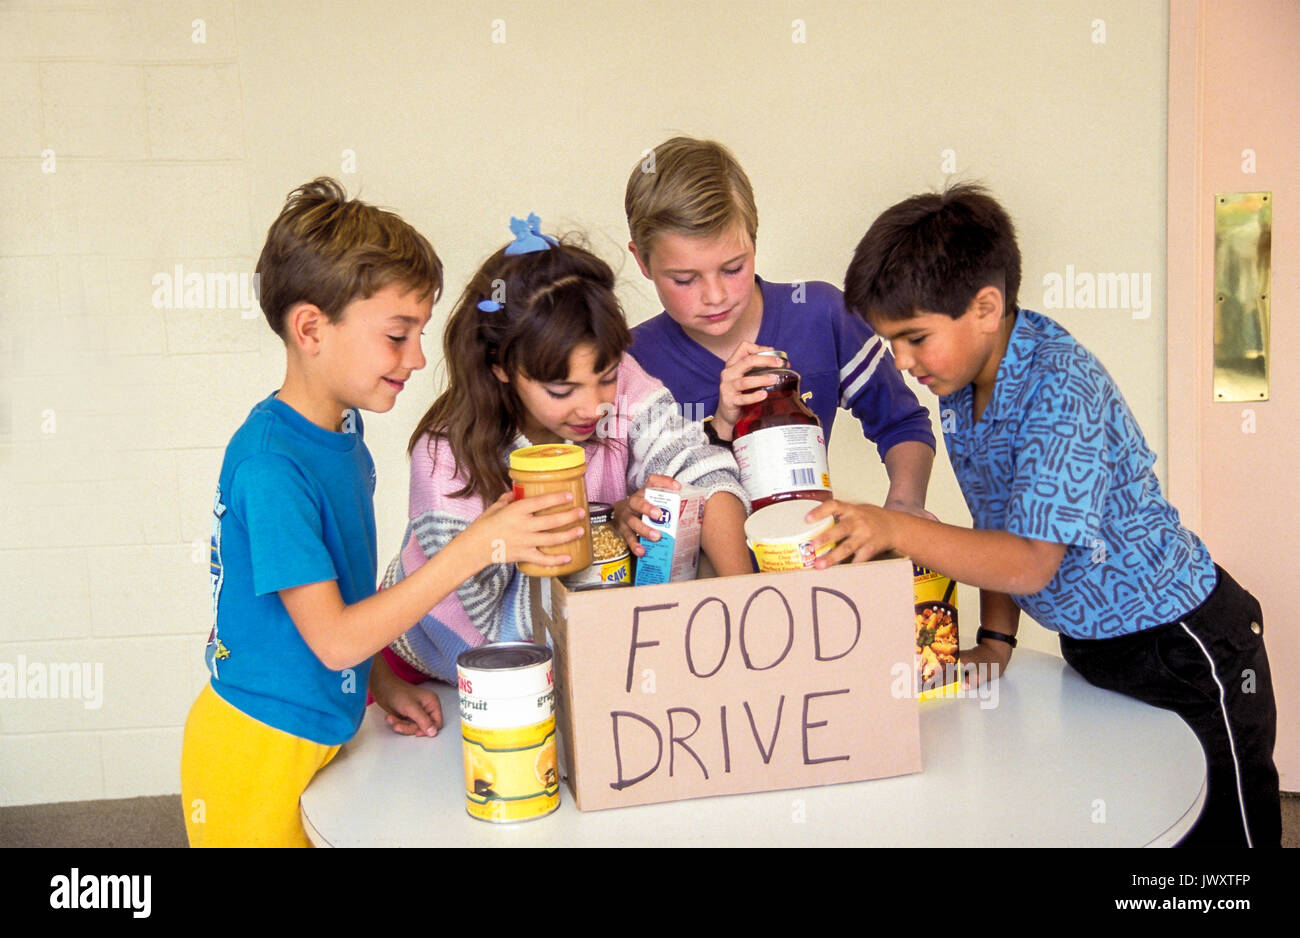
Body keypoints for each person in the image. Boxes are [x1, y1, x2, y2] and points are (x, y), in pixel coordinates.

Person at [813, 182, 1280, 847]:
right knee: (1143, 822)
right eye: (891, 342)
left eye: (913, 338)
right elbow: (996, 528)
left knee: (1223, 848)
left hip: (1185, 646)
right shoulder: (962, 387)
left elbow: (1031, 561)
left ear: (984, 307)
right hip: (1096, 648)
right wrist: (996, 642)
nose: (902, 362)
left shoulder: (1061, 387)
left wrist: (895, 525)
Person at [180, 182, 586, 847]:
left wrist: (379, 681)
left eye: (420, 334)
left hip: (318, 730)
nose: (419, 357)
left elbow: (335, 603)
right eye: (398, 335)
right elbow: (334, 637)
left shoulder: (342, 434)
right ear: (311, 328)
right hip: (255, 752)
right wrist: (478, 546)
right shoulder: (271, 470)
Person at [374, 215, 752, 716]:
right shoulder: (447, 459)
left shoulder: (615, 382)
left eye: (607, 377)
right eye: (560, 391)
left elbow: (702, 473)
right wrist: (605, 532)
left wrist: (748, 612)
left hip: (571, 642)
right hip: (439, 655)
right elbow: (488, 634)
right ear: (501, 367)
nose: (593, 406)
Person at [624, 136, 936, 517]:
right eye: (685, 279)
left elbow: (901, 421)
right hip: (696, 577)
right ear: (642, 262)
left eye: (733, 268)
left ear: (754, 239)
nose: (715, 295)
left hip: (811, 562)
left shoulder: (822, 313)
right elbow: (623, 495)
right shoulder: (630, 363)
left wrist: (904, 511)